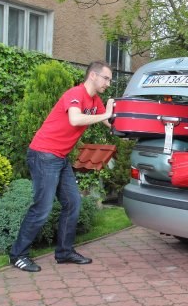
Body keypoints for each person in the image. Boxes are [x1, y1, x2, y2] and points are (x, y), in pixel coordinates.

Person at [9, 61, 115, 272]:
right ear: (93, 76)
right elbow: (75, 119)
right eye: (106, 78)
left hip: (60, 157)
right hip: (44, 154)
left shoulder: (96, 100)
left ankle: (64, 252)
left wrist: (129, 126)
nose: (108, 84)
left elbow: (109, 122)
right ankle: (18, 255)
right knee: (42, 208)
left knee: (73, 202)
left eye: (110, 80)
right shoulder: (74, 93)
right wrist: (106, 114)